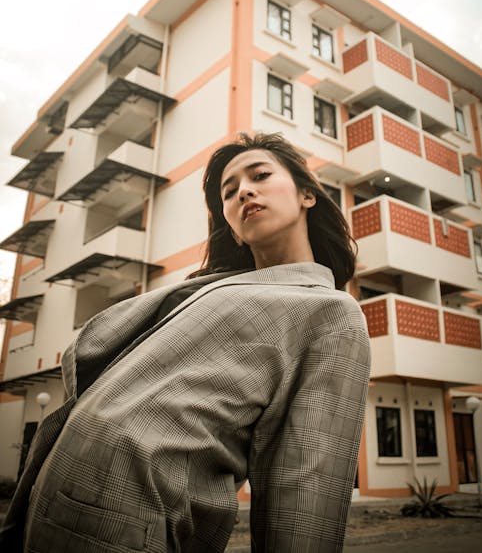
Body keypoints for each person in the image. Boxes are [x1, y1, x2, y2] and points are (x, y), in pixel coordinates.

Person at [2, 131, 370, 552]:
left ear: (307, 195)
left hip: (136, 518)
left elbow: (307, 490)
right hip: (47, 502)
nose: (243, 191)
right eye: (229, 193)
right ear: (232, 230)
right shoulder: (200, 294)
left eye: (260, 175)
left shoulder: (332, 313)